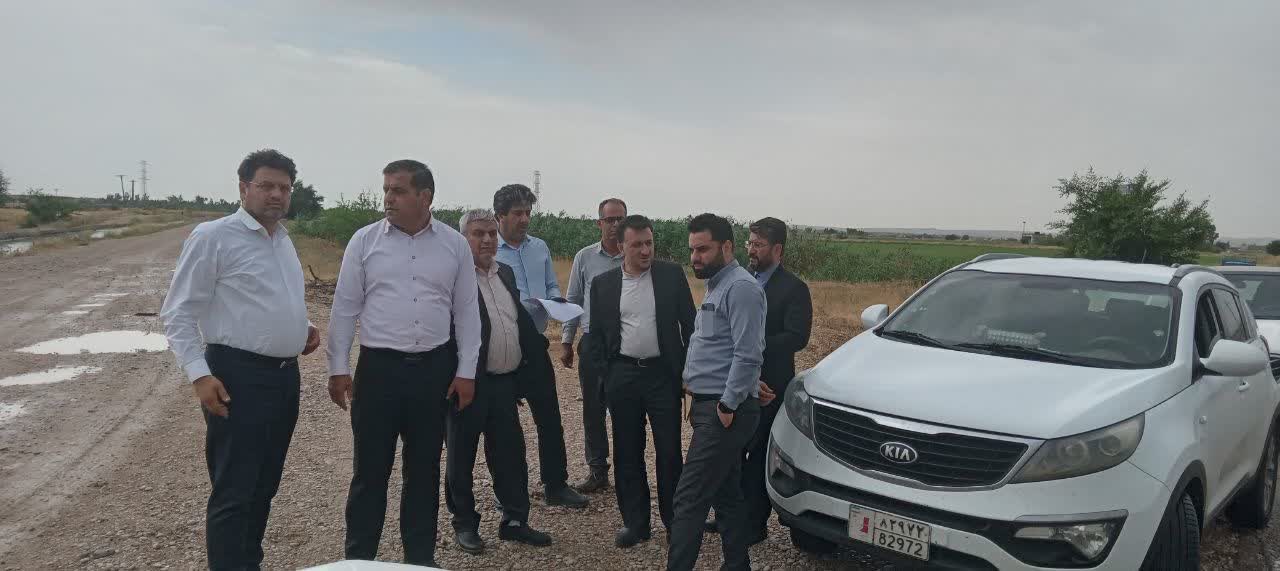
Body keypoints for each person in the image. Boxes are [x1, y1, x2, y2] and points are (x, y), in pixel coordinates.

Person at [160, 148, 321, 571]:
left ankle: (248, 563)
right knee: (234, 489)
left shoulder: (282, 239)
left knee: (264, 484)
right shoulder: (214, 237)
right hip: (237, 376)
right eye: (266, 185)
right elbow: (178, 313)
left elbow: (265, 299)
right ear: (244, 188)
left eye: (284, 187)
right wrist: (199, 376)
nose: (277, 195)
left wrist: (302, 327)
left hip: (284, 378)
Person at [326, 159, 481, 566]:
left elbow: (467, 312)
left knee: (424, 470)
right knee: (369, 471)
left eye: (397, 190)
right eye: (386, 190)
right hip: (378, 372)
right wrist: (338, 367)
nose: (388, 199)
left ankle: (419, 559)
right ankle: (359, 560)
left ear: (424, 196)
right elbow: (345, 307)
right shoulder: (364, 241)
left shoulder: (454, 245)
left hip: (433, 372)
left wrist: (466, 371)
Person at [445, 209, 555, 555]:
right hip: (468, 384)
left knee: (510, 454)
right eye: (478, 233)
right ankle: (465, 523)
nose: (488, 240)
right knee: (461, 456)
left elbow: (513, 321)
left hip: (504, 383)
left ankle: (515, 521)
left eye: (492, 233)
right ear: (463, 238)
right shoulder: (453, 277)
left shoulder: (504, 272)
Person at [587, 215, 696, 548]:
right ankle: (636, 524)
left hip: (662, 375)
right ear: (621, 247)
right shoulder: (603, 284)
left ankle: (675, 522)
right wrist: (608, 374)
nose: (646, 250)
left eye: (649, 243)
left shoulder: (671, 276)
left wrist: (687, 371)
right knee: (627, 451)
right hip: (623, 376)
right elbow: (596, 336)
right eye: (637, 245)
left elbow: (691, 326)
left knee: (669, 451)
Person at [667, 213, 767, 571]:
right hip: (712, 406)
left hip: (723, 412)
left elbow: (748, 352)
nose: (695, 257)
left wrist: (729, 403)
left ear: (727, 247)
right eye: (692, 250)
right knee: (726, 494)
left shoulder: (741, 288)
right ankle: (738, 565)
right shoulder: (717, 285)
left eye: (703, 249)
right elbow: (722, 348)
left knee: (689, 498)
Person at [707, 217, 812, 543]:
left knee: (758, 458)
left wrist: (753, 347)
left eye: (758, 245)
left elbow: (797, 336)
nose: (751, 250)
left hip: (770, 386)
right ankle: (727, 517)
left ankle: (754, 525)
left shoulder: (794, 288)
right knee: (731, 454)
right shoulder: (738, 282)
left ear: (777, 249)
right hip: (735, 382)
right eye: (749, 243)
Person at [491, 184, 590, 508]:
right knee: (503, 424)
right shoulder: (489, 249)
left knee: (548, 416)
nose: (524, 219)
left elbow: (550, 285)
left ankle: (555, 484)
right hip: (502, 343)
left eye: (527, 213)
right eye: (517, 213)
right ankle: (509, 492)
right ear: (499, 216)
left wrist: (554, 301)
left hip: (534, 342)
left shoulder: (540, 248)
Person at [560, 198, 627, 493]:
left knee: (625, 408)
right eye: (610, 220)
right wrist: (566, 340)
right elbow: (573, 300)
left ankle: (628, 471)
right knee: (593, 408)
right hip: (593, 342)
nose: (615, 225)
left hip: (626, 344)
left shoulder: (634, 256)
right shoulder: (585, 257)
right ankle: (597, 470)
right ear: (599, 223)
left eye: (620, 219)